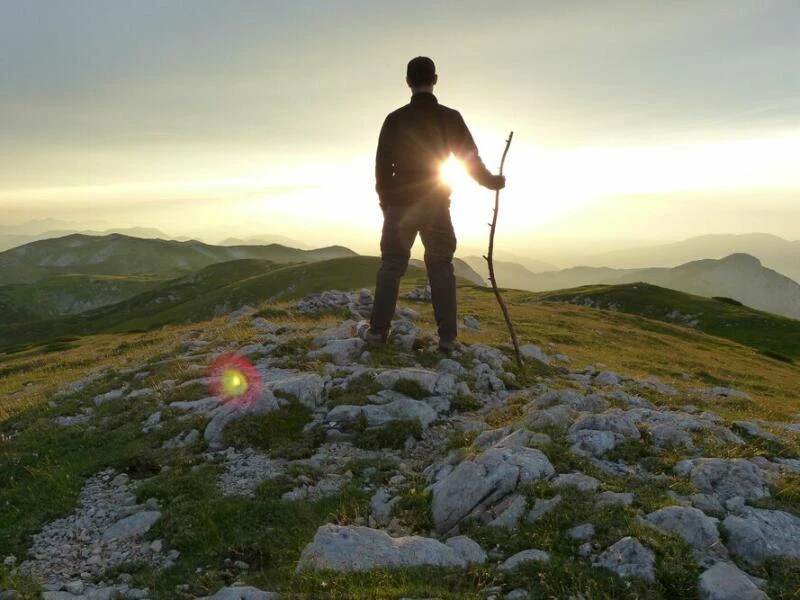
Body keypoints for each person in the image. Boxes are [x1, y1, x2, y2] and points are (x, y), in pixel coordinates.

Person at [364, 56, 506, 353]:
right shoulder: (450, 117)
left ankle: (377, 334)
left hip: (400, 205)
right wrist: (491, 182)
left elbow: (381, 168)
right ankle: (448, 340)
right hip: (436, 203)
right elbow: (469, 160)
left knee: (391, 267)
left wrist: (386, 203)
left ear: (407, 82)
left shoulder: (395, 119)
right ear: (435, 79)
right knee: (441, 266)